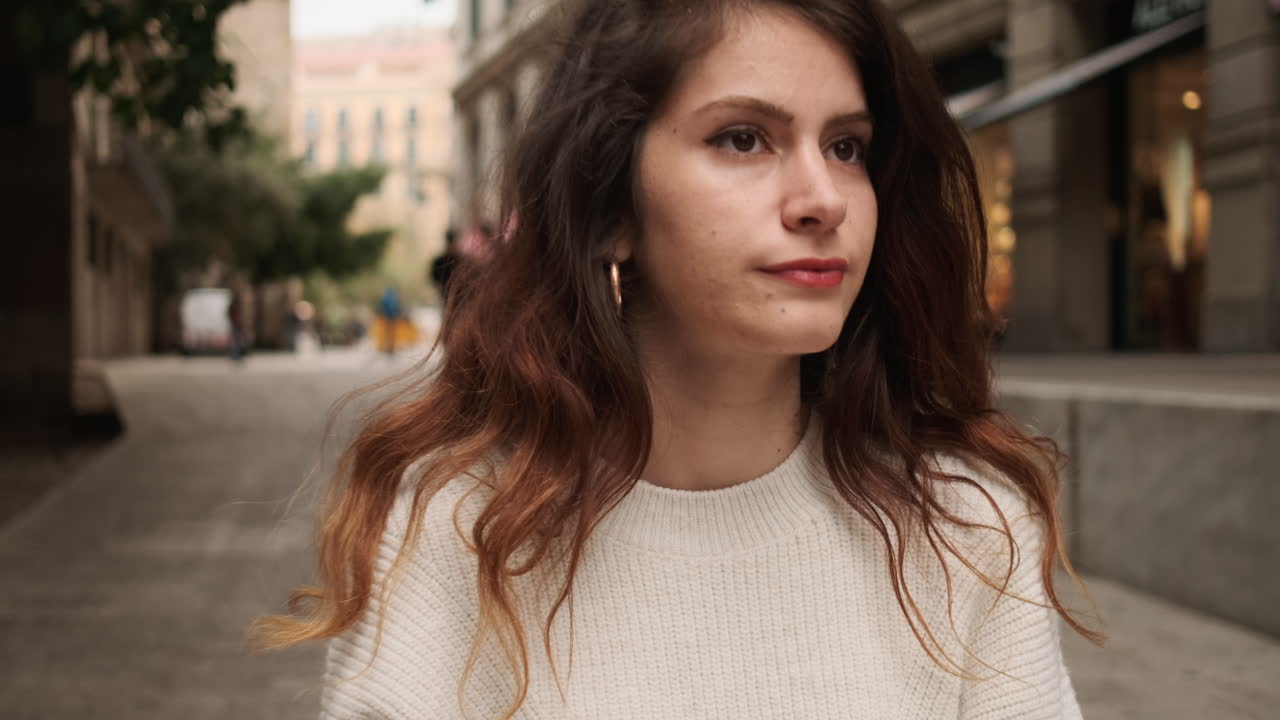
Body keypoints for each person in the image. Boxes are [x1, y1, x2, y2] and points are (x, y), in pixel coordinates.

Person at [254, 1, 1102, 718]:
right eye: (743, 138)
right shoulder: (453, 532)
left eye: (846, 147)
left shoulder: (967, 526)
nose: (820, 199)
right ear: (612, 204)